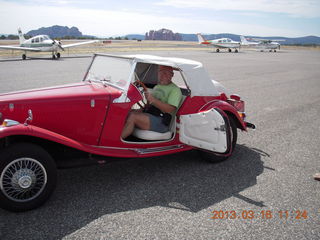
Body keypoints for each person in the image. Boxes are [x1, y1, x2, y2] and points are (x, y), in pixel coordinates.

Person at [121, 65, 182, 139]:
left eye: (166, 73)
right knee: (125, 112)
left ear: (172, 75)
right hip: (151, 114)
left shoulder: (175, 90)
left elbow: (169, 109)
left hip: (161, 121)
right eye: (161, 73)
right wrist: (142, 108)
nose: (162, 75)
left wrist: (153, 100)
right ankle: (113, 137)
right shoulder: (157, 87)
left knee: (133, 117)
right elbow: (150, 104)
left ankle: (117, 141)